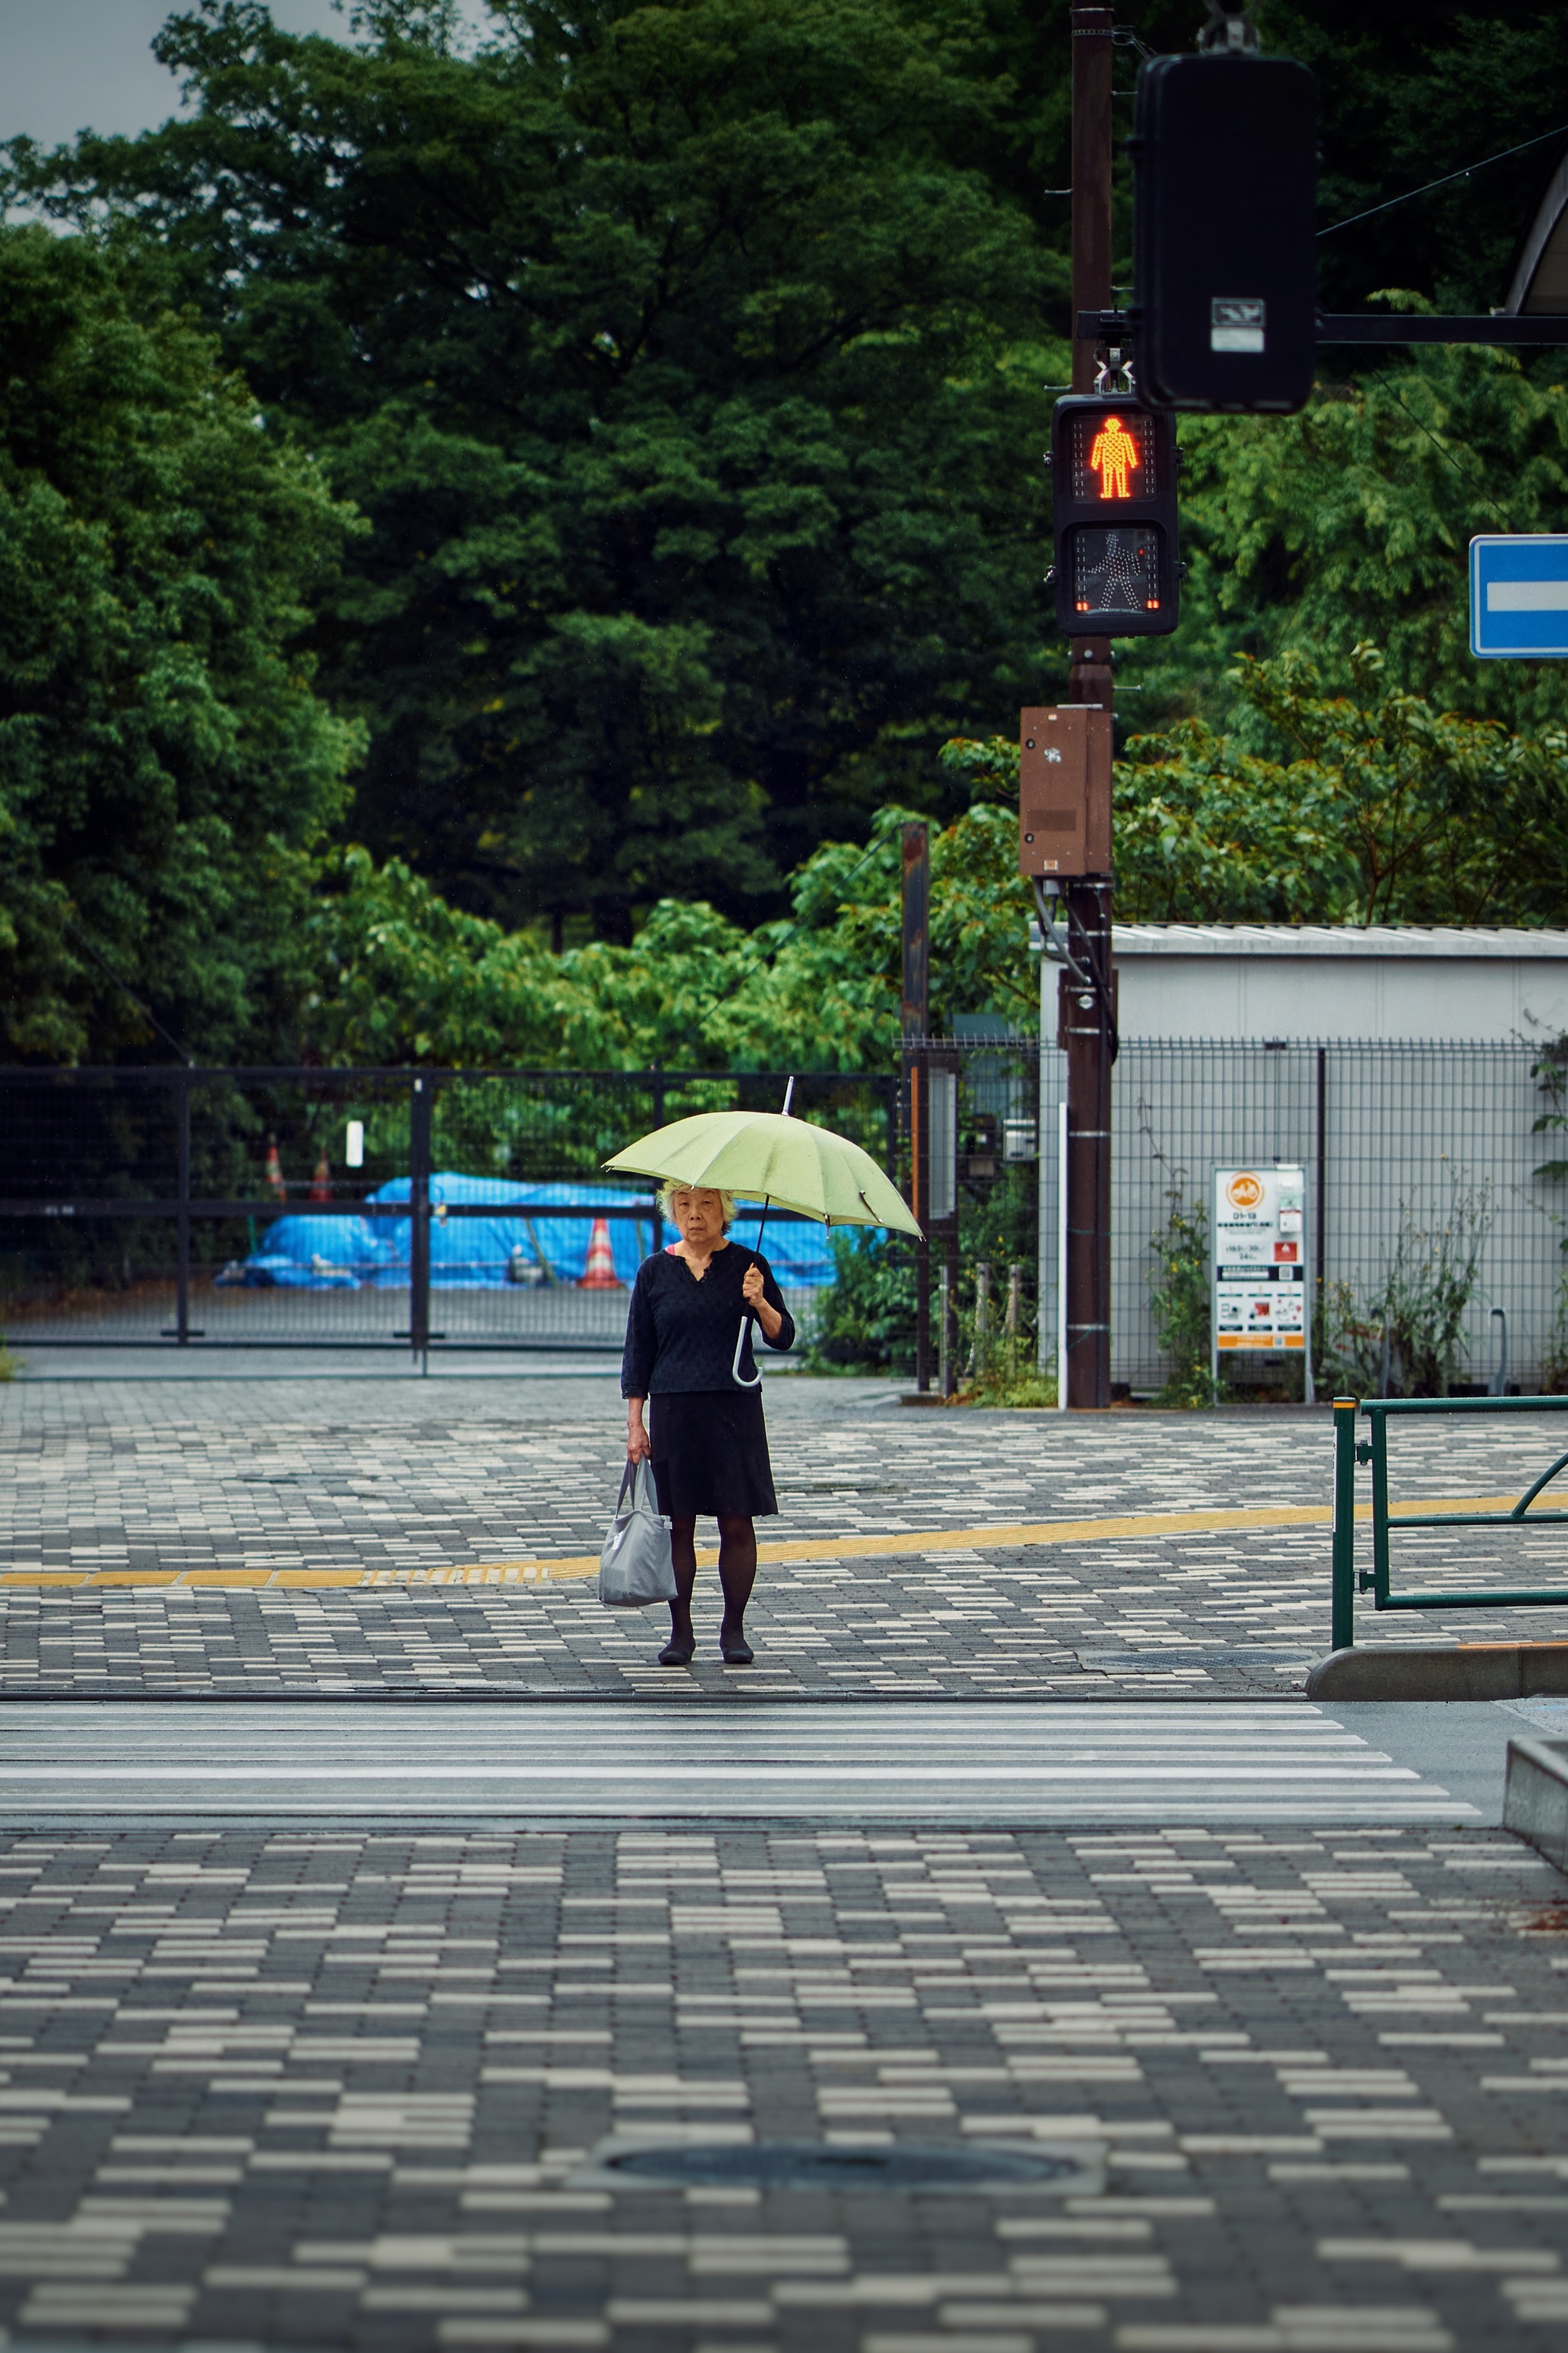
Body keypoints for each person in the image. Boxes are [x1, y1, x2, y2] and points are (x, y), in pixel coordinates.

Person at [622, 1183, 795, 1666]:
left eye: (706, 1205)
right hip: (675, 1413)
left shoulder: (749, 1265)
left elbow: (784, 1336)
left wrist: (760, 1303)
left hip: (734, 1410)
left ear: (725, 1213)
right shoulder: (654, 1272)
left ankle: (733, 1630)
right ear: (671, 1212)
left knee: (736, 1523)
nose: (694, 1214)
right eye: (684, 1205)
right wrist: (636, 1423)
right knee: (679, 1525)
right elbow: (638, 1354)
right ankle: (681, 1633)